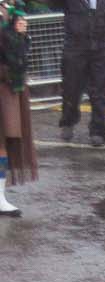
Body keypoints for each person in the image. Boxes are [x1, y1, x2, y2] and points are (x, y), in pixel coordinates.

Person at [57, 0, 105, 147]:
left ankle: (98, 130)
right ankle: (68, 121)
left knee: (101, 90)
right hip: (75, 46)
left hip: (102, 44)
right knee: (71, 88)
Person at [0, 5, 35, 216]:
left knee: (3, 144)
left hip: (7, 88)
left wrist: (19, 35)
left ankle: (0, 197)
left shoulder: (8, 12)